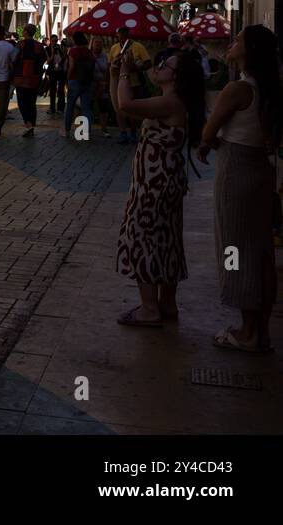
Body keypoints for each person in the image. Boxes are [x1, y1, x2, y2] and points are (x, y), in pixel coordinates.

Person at [197, 24, 280, 353]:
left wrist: (209, 142)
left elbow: (207, 132)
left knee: (235, 249)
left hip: (236, 174)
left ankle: (247, 332)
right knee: (260, 253)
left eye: (239, 40)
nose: (232, 43)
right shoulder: (270, 89)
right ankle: (261, 331)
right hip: (261, 171)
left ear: (249, 51)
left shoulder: (238, 89)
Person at [113, 49, 206, 326]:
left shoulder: (170, 102)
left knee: (142, 238)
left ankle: (149, 309)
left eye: (165, 65)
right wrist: (116, 73)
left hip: (155, 182)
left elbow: (126, 104)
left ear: (176, 78)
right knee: (165, 240)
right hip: (164, 180)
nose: (159, 65)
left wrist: (126, 72)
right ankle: (166, 304)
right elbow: (123, 105)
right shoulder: (174, 101)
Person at [108, 28, 152, 143]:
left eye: (123, 36)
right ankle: (123, 132)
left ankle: (133, 132)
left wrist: (136, 66)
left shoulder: (138, 46)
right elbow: (110, 64)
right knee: (118, 108)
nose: (121, 39)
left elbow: (148, 63)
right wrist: (115, 64)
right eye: (119, 37)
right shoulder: (114, 48)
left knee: (132, 109)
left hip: (134, 83)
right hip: (118, 82)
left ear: (128, 36)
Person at [12, 23, 47, 137]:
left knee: (22, 103)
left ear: (26, 32)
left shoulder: (20, 44)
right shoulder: (39, 45)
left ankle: (28, 124)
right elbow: (44, 59)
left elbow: (13, 59)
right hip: (34, 78)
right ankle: (31, 124)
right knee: (31, 103)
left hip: (21, 78)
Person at [60, 31, 95, 139]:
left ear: (75, 39)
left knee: (70, 105)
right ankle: (86, 132)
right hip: (87, 81)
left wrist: (68, 78)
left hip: (74, 80)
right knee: (86, 108)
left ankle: (66, 130)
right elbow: (93, 64)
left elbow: (71, 66)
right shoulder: (88, 51)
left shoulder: (73, 51)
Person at [91, 37, 113, 139]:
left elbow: (107, 70)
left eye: (100, 43)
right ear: (92, 44)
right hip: (91, 85)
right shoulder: (89, 55)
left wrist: (105, 83)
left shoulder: (105, 56)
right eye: (96, 43)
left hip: (103, 85)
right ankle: (86, 129)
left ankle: (104, 129)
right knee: (88, 107)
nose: (98, 45)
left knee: (103, 107)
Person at [45, 34, 67, 115]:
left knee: (61, 90)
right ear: (50, 41)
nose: (54, 42)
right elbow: (48, 61)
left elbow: (64, 58)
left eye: (56, 41)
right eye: (53, 41)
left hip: (60, 72)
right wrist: (53, 53)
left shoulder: (60, 48)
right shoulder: (47, 49)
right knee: (52, 90)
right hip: (52, 72)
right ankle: (52, 108)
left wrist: (61, 51)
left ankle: (60, 108)